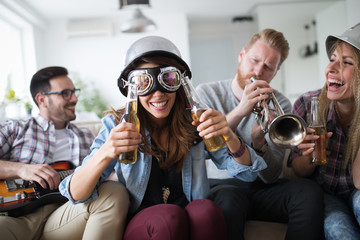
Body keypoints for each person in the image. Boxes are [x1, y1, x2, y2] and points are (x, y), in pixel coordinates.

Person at [59, 35, 268, 240]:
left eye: (168, 79)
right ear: (131, 87)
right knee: (169, 217)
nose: (158, 94)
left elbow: (247, 174)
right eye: (144, 82)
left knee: (206, 210)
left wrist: (229, 136)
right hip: (145, 221)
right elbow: (76, 194)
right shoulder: (118, 125)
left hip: (189, 214)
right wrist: (106, 152)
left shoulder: (195, 122)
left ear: (180, 82)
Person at [196, 28, 324, 240]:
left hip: (262, 189)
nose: (258, 71)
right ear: (241, 56)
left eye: (268, 67)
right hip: (224, 185)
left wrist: (259, 143)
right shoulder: (207, 93)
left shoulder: (280, 103)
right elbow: (204, 143)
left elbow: (272, 176)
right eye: (254, 60)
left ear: (275, 73)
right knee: (230, 201)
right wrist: (241, 110)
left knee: (308, 191)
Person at [0, 66, 129, 240]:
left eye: (74, 92)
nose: (75, 98)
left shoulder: (86, 136)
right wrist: (21, 169)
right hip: (16, 218)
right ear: (42, 100)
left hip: (64, 216)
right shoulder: (15, 129)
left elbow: (99, 178)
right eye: (65, 93)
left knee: (114, 191)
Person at [289, 23, 360, 240]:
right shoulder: (305, 104)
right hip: (325, 194)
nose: (330, 69)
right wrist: (309, 157)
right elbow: (296, 172)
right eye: (332, 60)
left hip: (356, 190)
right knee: (339, 231)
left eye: (346, 62)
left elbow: (359, 183)